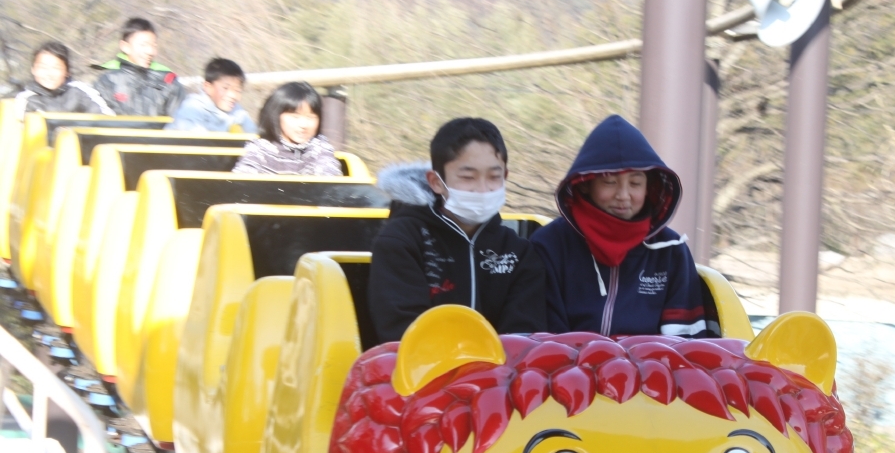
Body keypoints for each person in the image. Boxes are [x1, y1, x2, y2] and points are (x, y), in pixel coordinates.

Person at [531, 114, 713, 338]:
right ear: (585, 184)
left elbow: (686, 342)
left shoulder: (671, 251)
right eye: (609, 182)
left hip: (653, 361)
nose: (623, 195)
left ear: (649, 187)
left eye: (635, 183)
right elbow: (543, 339)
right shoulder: (550, 245)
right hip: (568, 360)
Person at [368, 117, 546, 342]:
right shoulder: (401, 242)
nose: (482, 189)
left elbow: (524, 337)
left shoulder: (518, 252)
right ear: (436, 182)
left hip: (502, 364)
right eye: (468, 177)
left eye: (494, 177)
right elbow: (403, 331)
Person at [231, 81, 341, 175]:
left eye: (311, 117)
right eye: (295, 117)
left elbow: (327, 168)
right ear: (276, 115)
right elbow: (244, 175)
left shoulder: (319, 147)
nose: (304, 125)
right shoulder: (260, 148)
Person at [94, 17, 186, 117]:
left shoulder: (168, 82)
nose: (150, 51)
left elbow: (180, 121)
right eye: (143, 45)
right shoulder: (107, 82)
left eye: (154, 45)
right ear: (125, 47)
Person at [12, 41, 112, 119]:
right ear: (33, 70)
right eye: (43, 67)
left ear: (67, 71)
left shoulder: (80, 91)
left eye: (56, 68)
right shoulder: (24, 99)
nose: (49, 74)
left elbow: (106, 119)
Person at [166, 57, 257, 133]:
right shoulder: (192, 107)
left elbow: (254, 136)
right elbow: (197, 142)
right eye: (225, 88)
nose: (232, 95)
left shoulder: (237, 111)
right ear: (208, 87)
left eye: (238, 90)